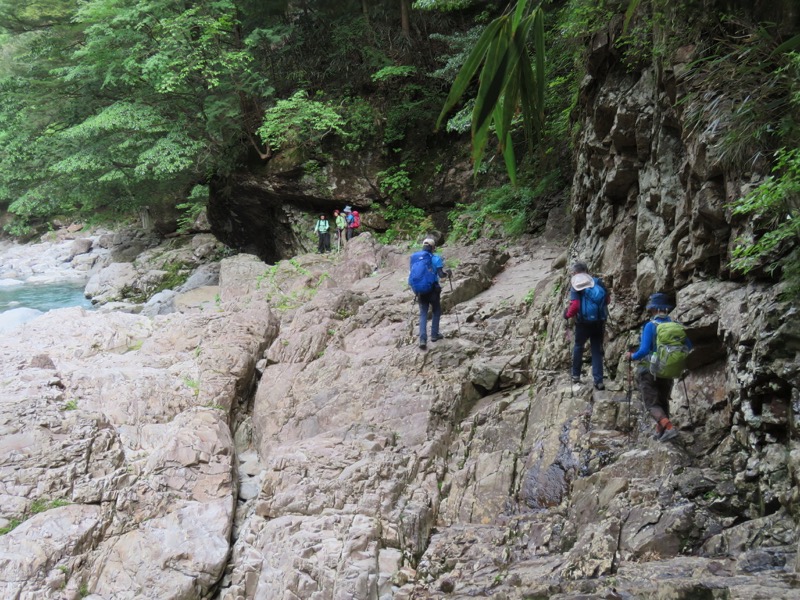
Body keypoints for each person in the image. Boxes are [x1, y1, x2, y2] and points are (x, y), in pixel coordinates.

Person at [625, 292, 693, 443]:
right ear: (667, 309)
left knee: (651, 403)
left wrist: (631, 356)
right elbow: (689, 346)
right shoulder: (676, 326)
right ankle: (661, 431)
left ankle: (669, 428)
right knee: (663, 401)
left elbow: (643, 351)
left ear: (653, 309)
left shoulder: (651, 326)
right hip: (668, 370)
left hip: (650, 370)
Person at [564, 261, 608, 390]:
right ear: (586, 270)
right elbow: (607, 300)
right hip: (598, 322)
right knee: (596, 350)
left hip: (583, 323)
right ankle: (599, 381)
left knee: (578, 346)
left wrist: (567, 315)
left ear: (575, 272)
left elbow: (575, 306)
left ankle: (576, 375)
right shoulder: (597, 282)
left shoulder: (576, 284)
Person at [412, 238, 451, 350]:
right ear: (433, 248)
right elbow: (441, 275)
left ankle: (422, 339)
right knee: (436, 310)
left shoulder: (416, 259)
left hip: (420, 290)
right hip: (433, 289)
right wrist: (447, 273)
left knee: (423, 313)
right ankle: (434, 335)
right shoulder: (436, 258)